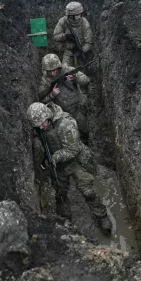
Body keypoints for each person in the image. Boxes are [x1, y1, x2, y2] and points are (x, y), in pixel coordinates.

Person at [27, 101, 112, 236]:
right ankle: (65, 222)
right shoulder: (40, 126)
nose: (42, 127)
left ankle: (102, 217)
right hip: (59, 167)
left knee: (88, 192)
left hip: (76, 161)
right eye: (38, 125)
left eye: (43, 123)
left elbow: (74, 149)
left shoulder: (65, 123)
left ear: (48, 115)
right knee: (60, 195)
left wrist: (55, 158)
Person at [38, 53, 91, 139]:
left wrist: (76, 78)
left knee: (84, 131)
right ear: (46, 70)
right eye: (50, 71)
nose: (53, 73)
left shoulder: (68, 70)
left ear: (59, 67)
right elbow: (41, 103)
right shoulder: (45, 82)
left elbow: (86, 80)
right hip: (63, 117)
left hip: (78, 110)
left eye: (55, 70)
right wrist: (52, 95)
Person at [53, 1, 93, 67]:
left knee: (83, 74)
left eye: (80, 14)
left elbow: (89, 42)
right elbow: (55, 36)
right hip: (68, 53)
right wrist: (65, 36)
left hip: (82, 53)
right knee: (65, 71)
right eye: (77, 15)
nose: (79, 17)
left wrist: (82, 51)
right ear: (71, 16)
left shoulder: (85, 23)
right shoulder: (63, 21)